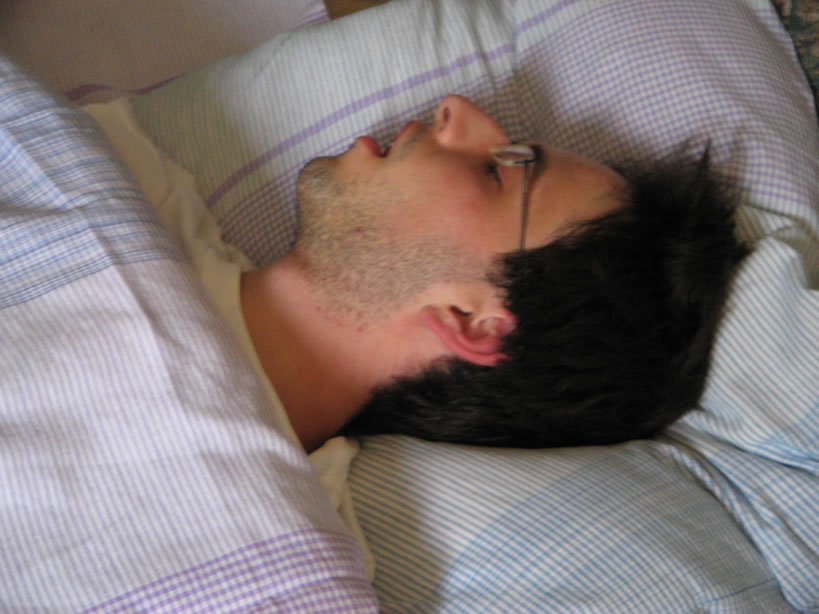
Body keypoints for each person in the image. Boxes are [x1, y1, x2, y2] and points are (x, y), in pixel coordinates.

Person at [241, 94, 749, 451]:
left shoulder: (254, 519)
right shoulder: (183, 217)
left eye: (500, 171)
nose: (456, 109)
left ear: (470, 320)